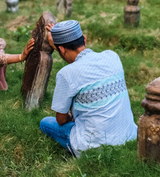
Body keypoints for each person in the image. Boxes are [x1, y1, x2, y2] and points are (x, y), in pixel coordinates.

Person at [40, 20, 137, 157]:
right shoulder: (112, 56)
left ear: (60, 49)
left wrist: (70, 116)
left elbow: (61, 119)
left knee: (45, 123)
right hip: (129, 137)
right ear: (84, 39)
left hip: (93, 147)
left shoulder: (67, 73)